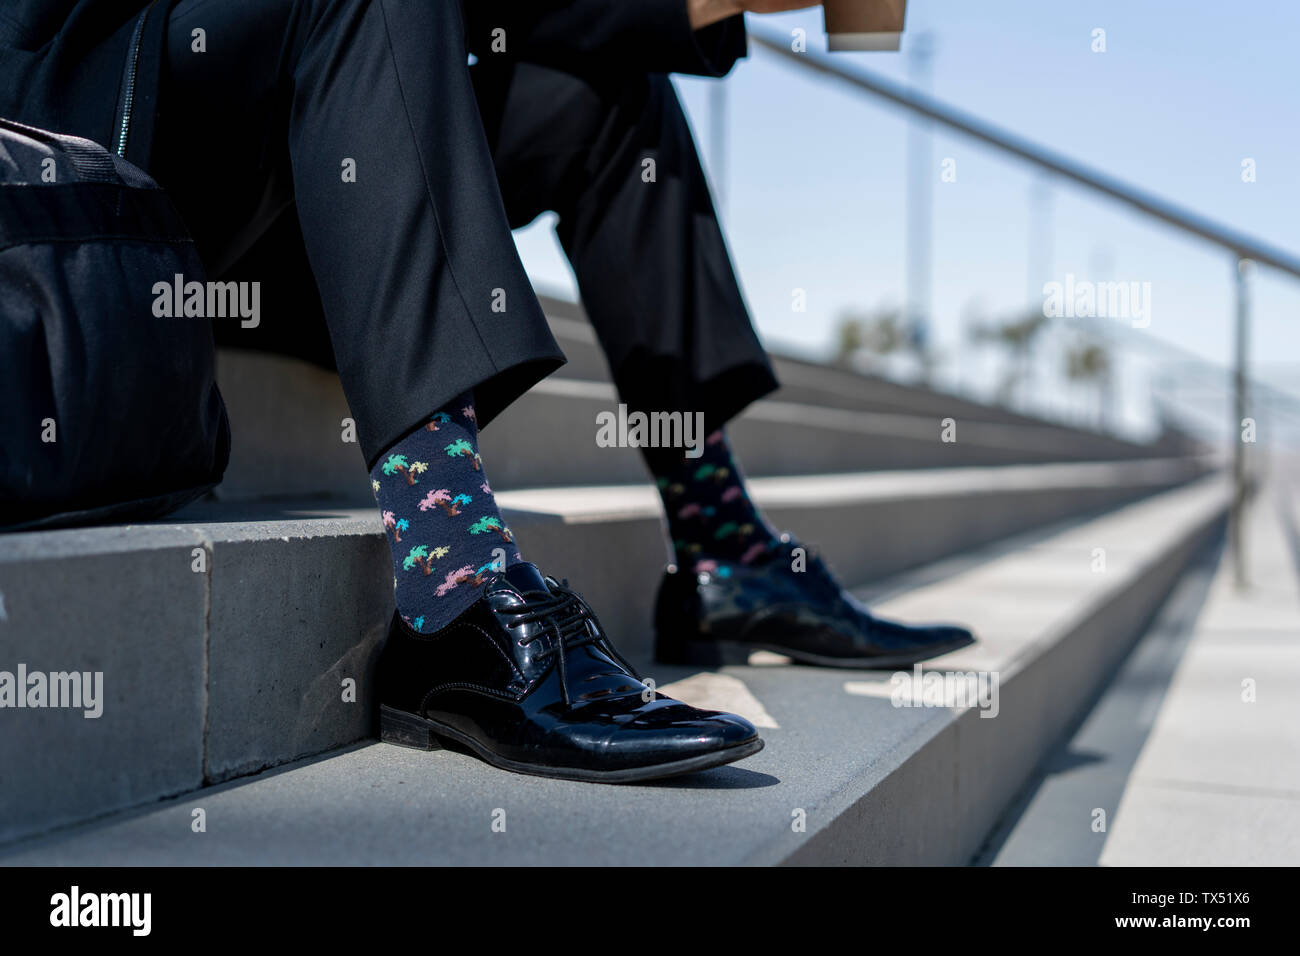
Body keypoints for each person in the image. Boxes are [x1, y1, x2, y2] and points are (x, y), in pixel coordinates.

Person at [2, 0, 972, 783]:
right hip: (93, 172)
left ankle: (721, 543)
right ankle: (452, 579)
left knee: (604, 98)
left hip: (299, 189)